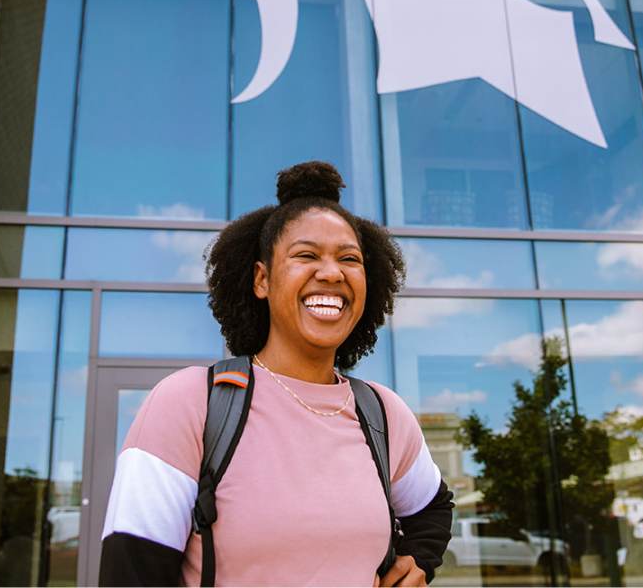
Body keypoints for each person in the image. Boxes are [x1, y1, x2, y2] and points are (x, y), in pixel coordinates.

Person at [99, 161, 454, 586]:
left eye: (349, 259)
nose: (331, 272)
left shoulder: (382, 413)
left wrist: (419, 561)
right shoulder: (190, 401)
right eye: (306, 255)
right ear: (261, 279)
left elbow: (433, 507)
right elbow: (131, 573)